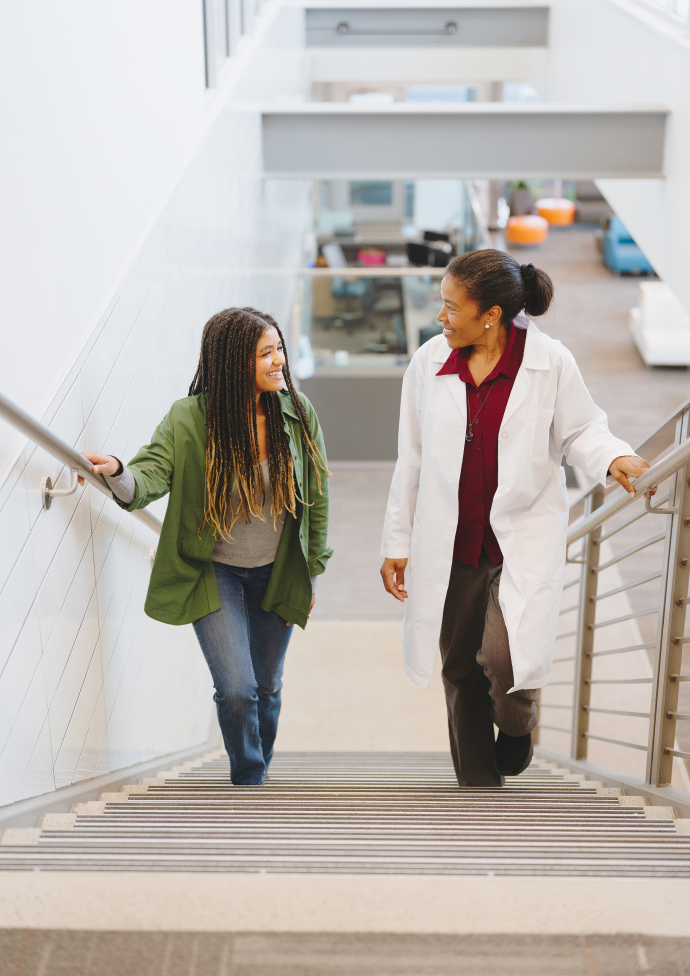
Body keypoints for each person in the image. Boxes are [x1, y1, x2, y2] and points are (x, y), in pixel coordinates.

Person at [380, 251, 650, 788]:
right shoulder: (429, 364)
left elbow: (579, 430)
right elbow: (410, 459)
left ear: (491, 315)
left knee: (505, 659)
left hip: (517, 539)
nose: (441, 317)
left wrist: (613, 455)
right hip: (451, 541)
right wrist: (398, 541)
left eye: (451, 307)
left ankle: (518, 720)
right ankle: (478, 783)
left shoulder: (549, 362)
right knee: (458, 665)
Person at [81, 307, 331, 786]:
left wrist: (312, 571)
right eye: (266, 353)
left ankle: (260, 760)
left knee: (266, 685)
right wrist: (118, 471)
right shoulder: (189, 419)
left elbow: (316, 498)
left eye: (279, 349)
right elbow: (149, 478)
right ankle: (249, 779)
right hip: (214, 572)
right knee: (237, 690)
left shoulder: (297, 414)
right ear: (236, 363)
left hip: (278, 571)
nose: (279, 361)